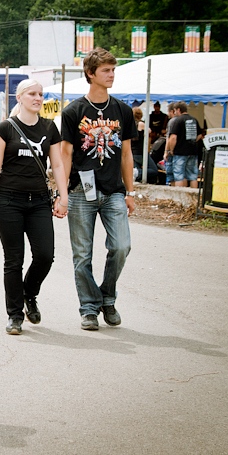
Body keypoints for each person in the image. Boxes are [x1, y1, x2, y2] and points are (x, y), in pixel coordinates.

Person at [0, 79, 69, 335]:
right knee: (13, 260)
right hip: (8, 201)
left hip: (39, 201)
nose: (37, 98)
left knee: (44, 255)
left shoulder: (49, 128)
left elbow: (58, 165)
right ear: (19, 97)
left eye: (40, 94)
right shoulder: (5, 128)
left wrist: (64, 196)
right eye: (32, 94)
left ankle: (30, 293)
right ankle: (15, 315)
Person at [60, 47, 136, 331]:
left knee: (121, 246)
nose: (111, 75)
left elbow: (127, 154)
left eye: (113, 70)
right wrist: (62, 193)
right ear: (90, 74)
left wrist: (130, 192)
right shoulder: (73, 111)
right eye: (106, 70)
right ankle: (89, 308)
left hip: (114, 191)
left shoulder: (123, 111)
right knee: (82, 256)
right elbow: (66, 154)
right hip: (81, 191)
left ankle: (107, 296)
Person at [165, 101, 201, 188]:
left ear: (178, 109)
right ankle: (193, 197)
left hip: (180, 152)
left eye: (175, 110)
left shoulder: (178, 120)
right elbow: (200, 135)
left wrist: (171, 150)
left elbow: (173, 137)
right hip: (193, 151)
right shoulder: (194, 120)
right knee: (193, 176)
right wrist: (193, 141)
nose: (175, 112)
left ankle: (179, 198)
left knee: (179, 176)